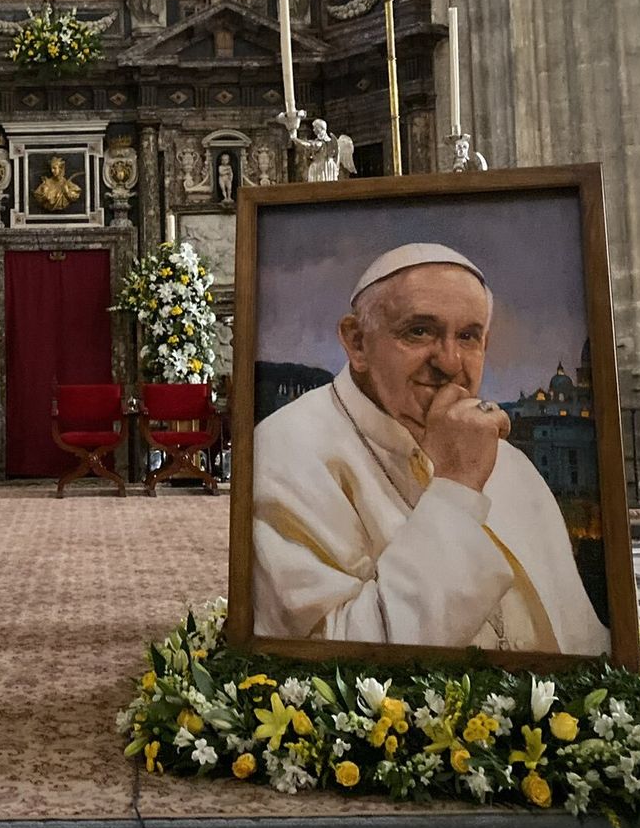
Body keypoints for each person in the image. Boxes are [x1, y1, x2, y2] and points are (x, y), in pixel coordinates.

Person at [251, 243, 608, 655]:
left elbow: (580, 637)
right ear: (357, 342)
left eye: (469, 336)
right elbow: (325, 666)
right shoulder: (284, 452)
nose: (450, 362)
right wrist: (456, 486)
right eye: (419, 331)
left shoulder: (511, 463)